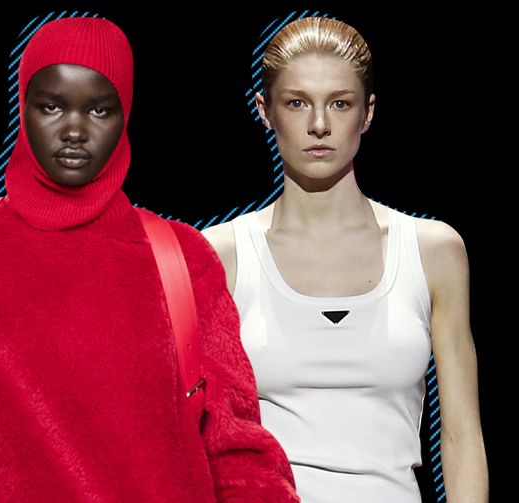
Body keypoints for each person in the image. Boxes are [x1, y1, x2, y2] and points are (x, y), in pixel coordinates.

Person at [0, 17, 298, 502]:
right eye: (51, 106)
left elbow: (236, 450)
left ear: (125, 114)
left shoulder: (181, 260)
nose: (73, 130)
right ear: (22, 107)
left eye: (99, 110)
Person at [202, 16, 488, 502]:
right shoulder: (219, 255)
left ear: (368, 112)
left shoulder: (432, 251)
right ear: (264, 110)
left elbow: (461, 436)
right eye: (297, 103)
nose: (319, 124)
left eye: (339, 103)